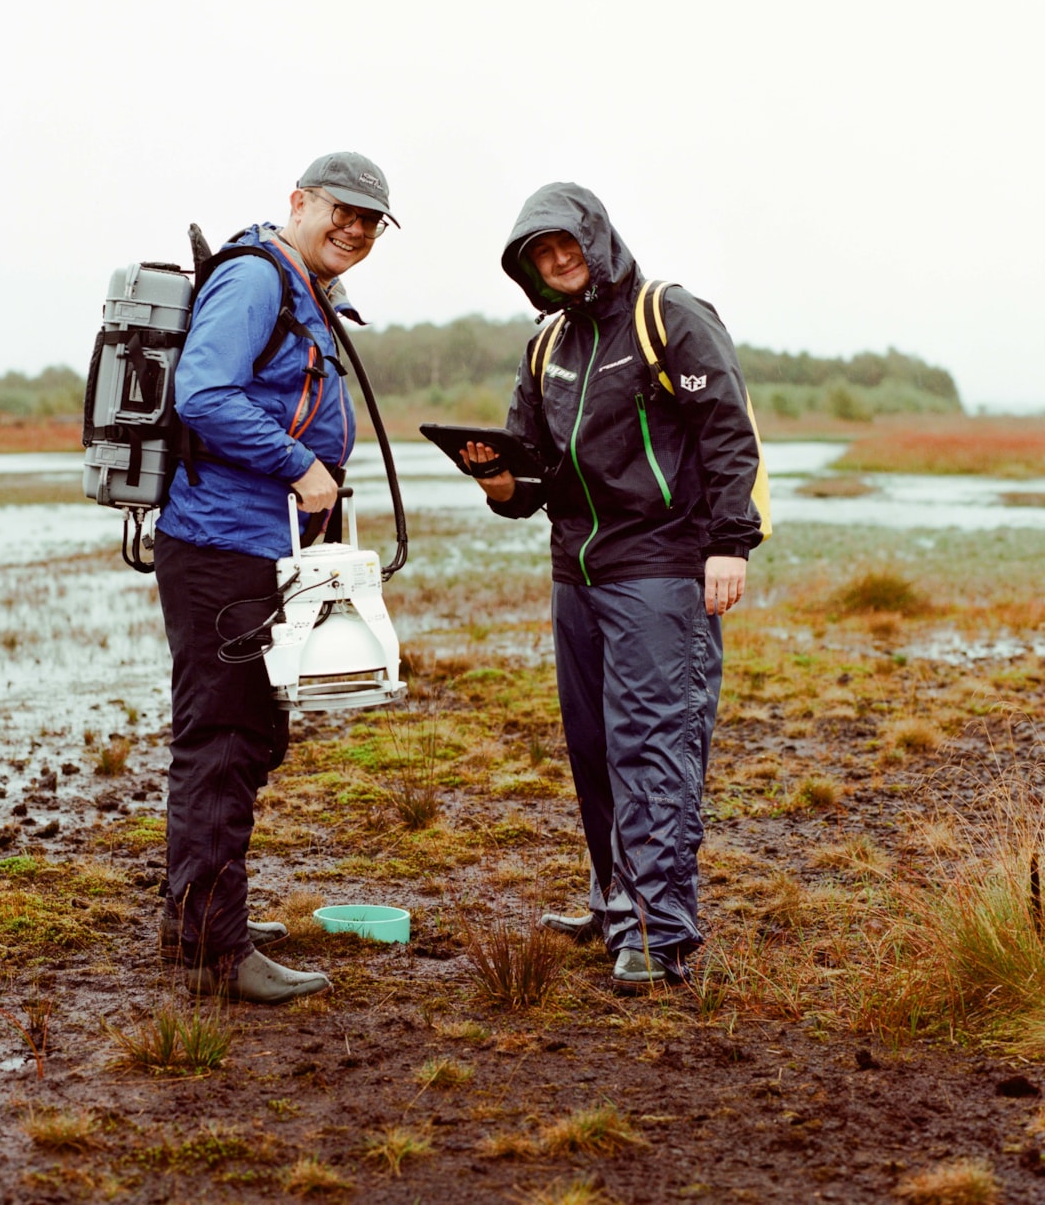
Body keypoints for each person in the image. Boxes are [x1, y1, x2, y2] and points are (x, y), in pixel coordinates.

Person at [461, 182, 765, 992]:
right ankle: (614, 903)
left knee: (653, 745)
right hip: (577, 572)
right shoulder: (547, 345)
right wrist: (498, 483)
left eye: (566, 244)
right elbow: (532, 470)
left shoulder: (666, 315)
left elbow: (728, 432)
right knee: (594, 746)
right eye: (540, 255)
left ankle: (659, 933)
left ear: (597, 240)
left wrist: (731, 544)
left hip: (664, 568)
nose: (557, 261)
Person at [154, 151, 397, 1003]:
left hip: (256, 549)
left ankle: (199, 917)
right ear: (298, 202)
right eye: (342, 210)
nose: (355, 230)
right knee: (222, 742)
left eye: (371, 222)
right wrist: (300, 465)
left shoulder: (304, 291)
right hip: (221, 547)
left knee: (246, 735)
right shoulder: (258, 279)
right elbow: (204, 392)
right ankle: (219, 953)